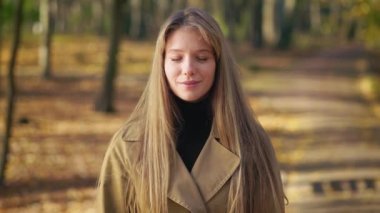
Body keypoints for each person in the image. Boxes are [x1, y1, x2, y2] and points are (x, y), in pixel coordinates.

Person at [97, 8, 286, 213]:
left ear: (218, 64)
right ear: (162, 64)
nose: (188, 68)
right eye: (176, 58)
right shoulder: (127, 146)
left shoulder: (251, 143)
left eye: (202, 58)